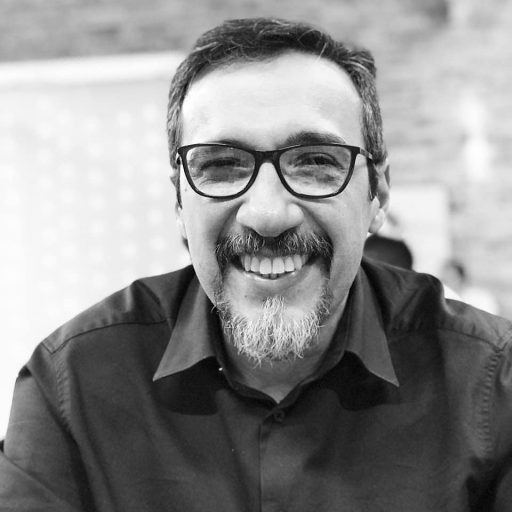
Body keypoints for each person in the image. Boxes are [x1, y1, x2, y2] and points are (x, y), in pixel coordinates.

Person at [1, 17, 512, 512]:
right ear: (180, 202)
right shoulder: (71, 385)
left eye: (315, 161)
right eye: (221, 165)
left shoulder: (492, 385)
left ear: (377, 194)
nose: (267, 215)